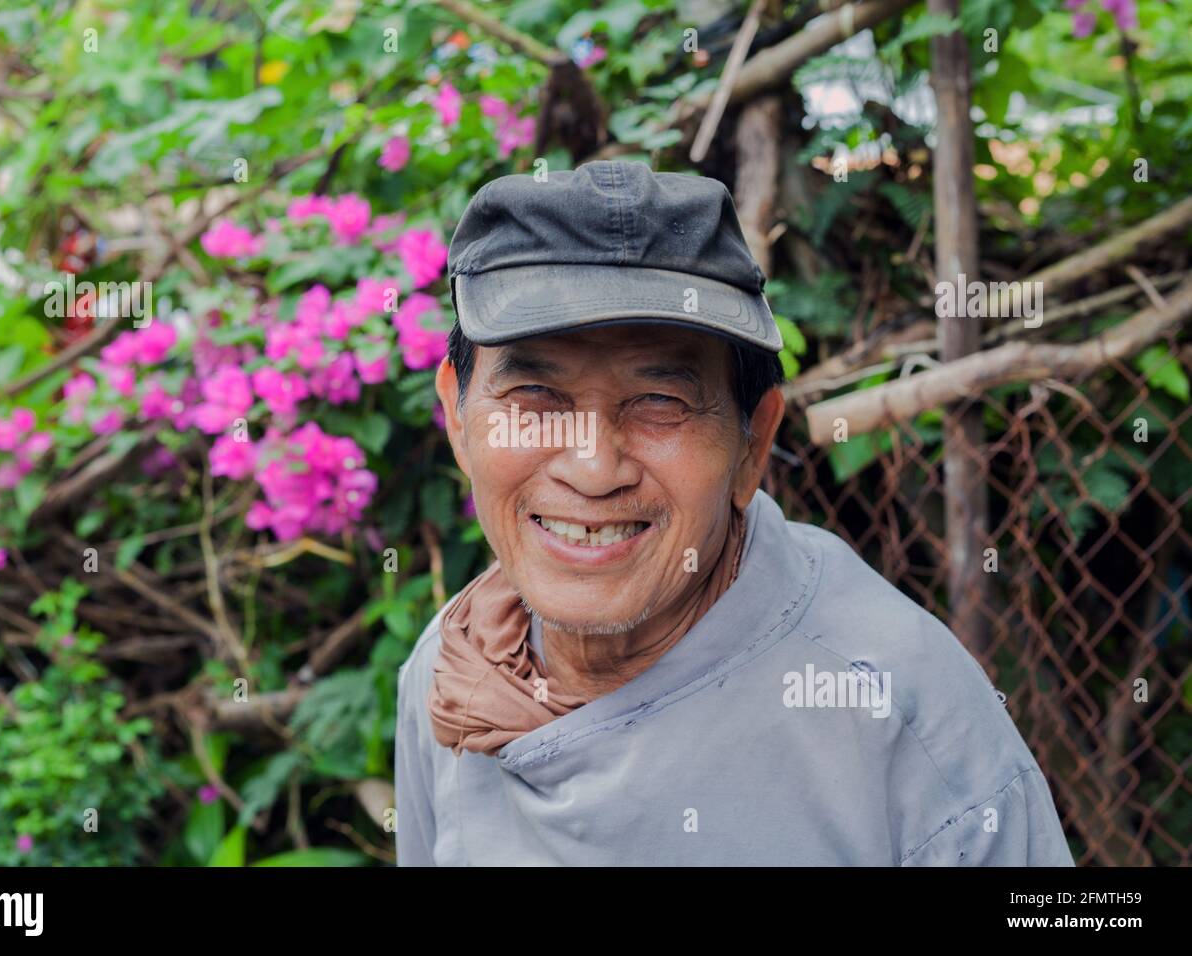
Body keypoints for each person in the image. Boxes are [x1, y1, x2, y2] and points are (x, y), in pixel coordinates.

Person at [395, 160, 1074, 866]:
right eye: (536, 394)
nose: (593, 468)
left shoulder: (900, 713)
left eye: (661, 403)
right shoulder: (451, 674)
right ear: (458, 417)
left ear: (754, 445)